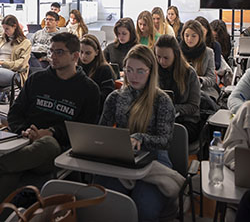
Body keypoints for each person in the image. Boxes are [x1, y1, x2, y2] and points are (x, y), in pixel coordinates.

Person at [0, 32, 100, 206]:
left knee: (47, 143)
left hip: (58, 150)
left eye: (59, 52)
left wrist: (52, 132)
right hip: (23, 142)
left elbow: (85, 129)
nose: (52, 57)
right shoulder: (37, 80)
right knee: (8, 176)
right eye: (51, 51)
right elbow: (15, 113)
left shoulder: (89, 89)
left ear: (75, 56)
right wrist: (23, 130)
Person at [98, 44, 175, 222]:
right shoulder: (115, 97)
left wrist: (140, 137)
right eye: (129, 70)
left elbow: (165, 140)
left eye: (141, 71)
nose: (133, 76)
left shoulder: (162, 100)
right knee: (106, 203)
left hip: (155, 159)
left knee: (144, 209)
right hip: (122, 155)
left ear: (151, 71)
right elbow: (103, 131)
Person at [0, 15, 31, 125]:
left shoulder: (25, 43)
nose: (5, 31)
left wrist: (3, 63)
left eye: (7, 29)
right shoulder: (1, 39)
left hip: (15, 73)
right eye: (4, 28)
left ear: (15, 26)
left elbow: (21, 64)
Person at [155, 35, 202, 142]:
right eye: (158, 57)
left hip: (186, 121)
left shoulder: (189, 73)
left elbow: (194, 106)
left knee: (168, 134)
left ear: (175, 55)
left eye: (166, 58)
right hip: (159, 119)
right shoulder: (154, 71)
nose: (161, 61)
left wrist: (172, 109)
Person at [180, 20, 218, 100]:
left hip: (202, 91)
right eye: (186, 35)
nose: (189, 39)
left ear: (200, 36)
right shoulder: (178, 52)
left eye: (193, 36)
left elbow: (212, 78)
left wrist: (200, 80)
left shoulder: (208, 52)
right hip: (181, 91)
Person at [79, 34, 116, 116]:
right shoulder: (77, 66)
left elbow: (107, 97)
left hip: (96, 111)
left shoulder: (104, 69)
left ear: (96, 52)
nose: (83, 56)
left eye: (88, 53)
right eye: (81, 52)